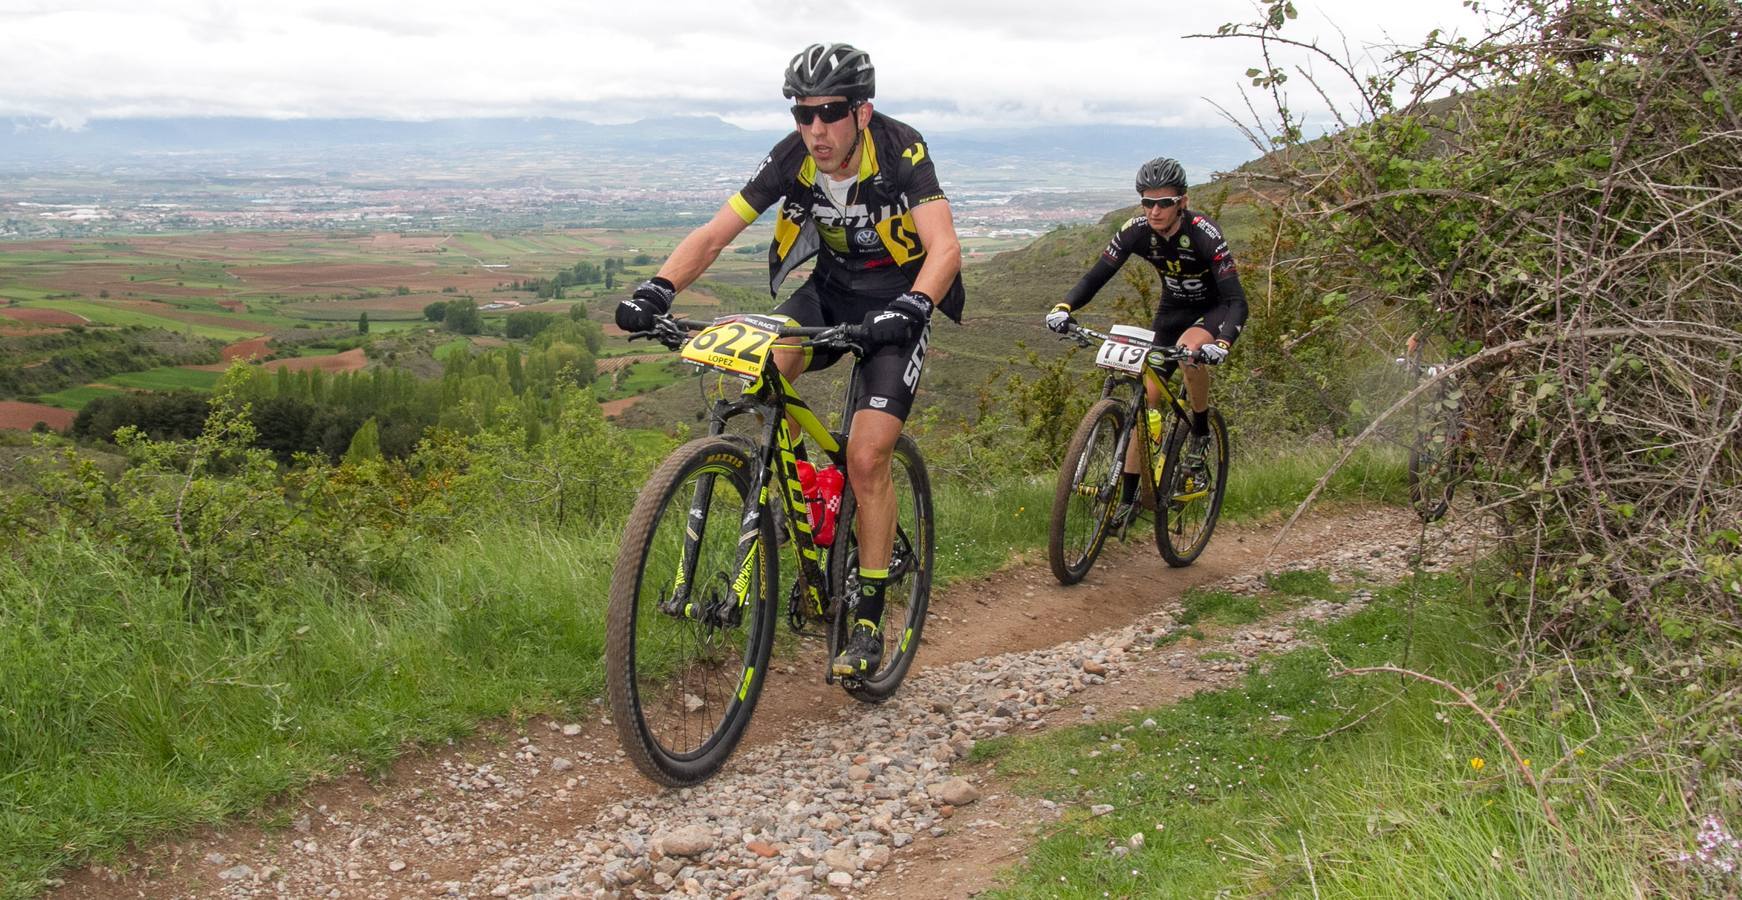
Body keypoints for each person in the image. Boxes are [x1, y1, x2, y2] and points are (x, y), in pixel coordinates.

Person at [615, 42, 964, 679]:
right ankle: (795, 496)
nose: (815, 129)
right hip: (829, 294)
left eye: (830, 112)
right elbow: (716, 233)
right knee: (763, 365)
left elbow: (945, 247)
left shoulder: (901, 148)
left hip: (897, 307)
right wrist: (657, 289)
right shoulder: (791, 157)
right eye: (803, 114)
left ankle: (866, 618)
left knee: (866, 457)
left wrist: (915, 306)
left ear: (863, 110)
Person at [1045, 156, 1247, 526]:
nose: (1154, 210)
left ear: (1182, 202)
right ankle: (1126, 500)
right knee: (1146, 402)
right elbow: (1097, 276)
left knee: (1189, 353)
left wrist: (1222, 343)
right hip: (1172, 309)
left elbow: (1237, 301)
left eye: (1164, 202)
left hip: (1213, 308)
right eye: (1147, 201)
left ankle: (1200, 430)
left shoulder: (1204, 233)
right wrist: (1064, 306)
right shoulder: (1135, 230)